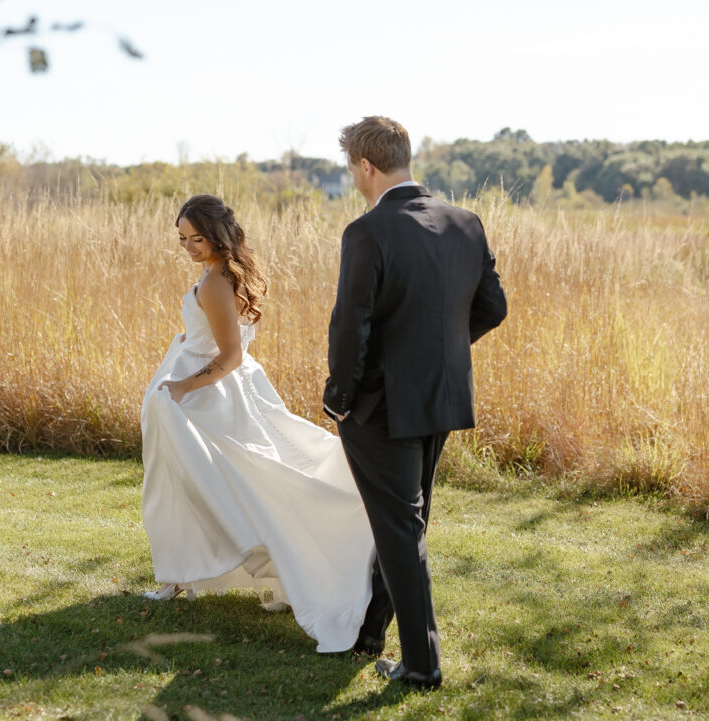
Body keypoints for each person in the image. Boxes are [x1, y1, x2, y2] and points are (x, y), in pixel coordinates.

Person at [139, 194, 375, 653]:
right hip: (223, 390)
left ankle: (188, 576)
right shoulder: (224, 275)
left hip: (209, 398)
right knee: (209, 485)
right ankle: (180, 575)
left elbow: (230, 356)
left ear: (217, 235)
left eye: (196, 238)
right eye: (182, 239)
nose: (187, 246)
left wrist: (184, 387)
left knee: (209, 487)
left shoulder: (215, 283)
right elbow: (216, 336)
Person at [324, 117, 508, 688]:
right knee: (404, 520)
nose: (354, 179)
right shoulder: (465, 223)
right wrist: (440, 354)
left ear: (365, 166)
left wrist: (339, 401)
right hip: (442, 397)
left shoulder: (368, 231)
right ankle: (371, 632)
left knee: (401, 527)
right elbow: (492, 308)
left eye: (352, 169)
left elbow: (349, 327)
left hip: (381, 407)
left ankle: (423, 664)